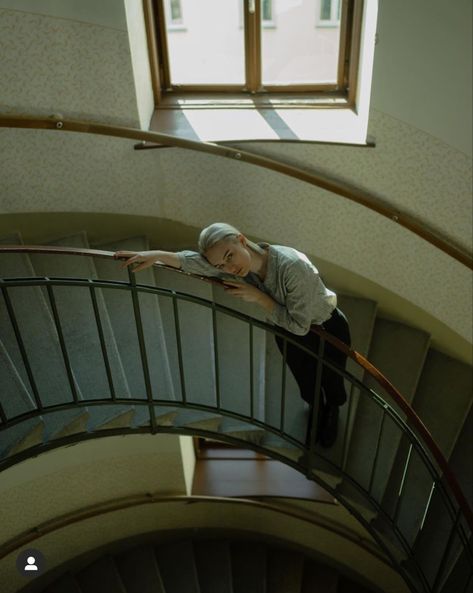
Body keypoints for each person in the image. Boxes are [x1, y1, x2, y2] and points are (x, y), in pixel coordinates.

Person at [115, 222, 351, 448]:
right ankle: (316, 410)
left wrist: (259, 298)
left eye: (230, 256)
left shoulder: (291, 267)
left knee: (332, 379)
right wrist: (157, 255)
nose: (229, 268)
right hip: (287, 331)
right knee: (305, 379)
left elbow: (300, 326)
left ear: (241, 239)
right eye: (221, 265)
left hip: (326, 329)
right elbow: (200, 264)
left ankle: (333, 411)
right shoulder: (242, 265)